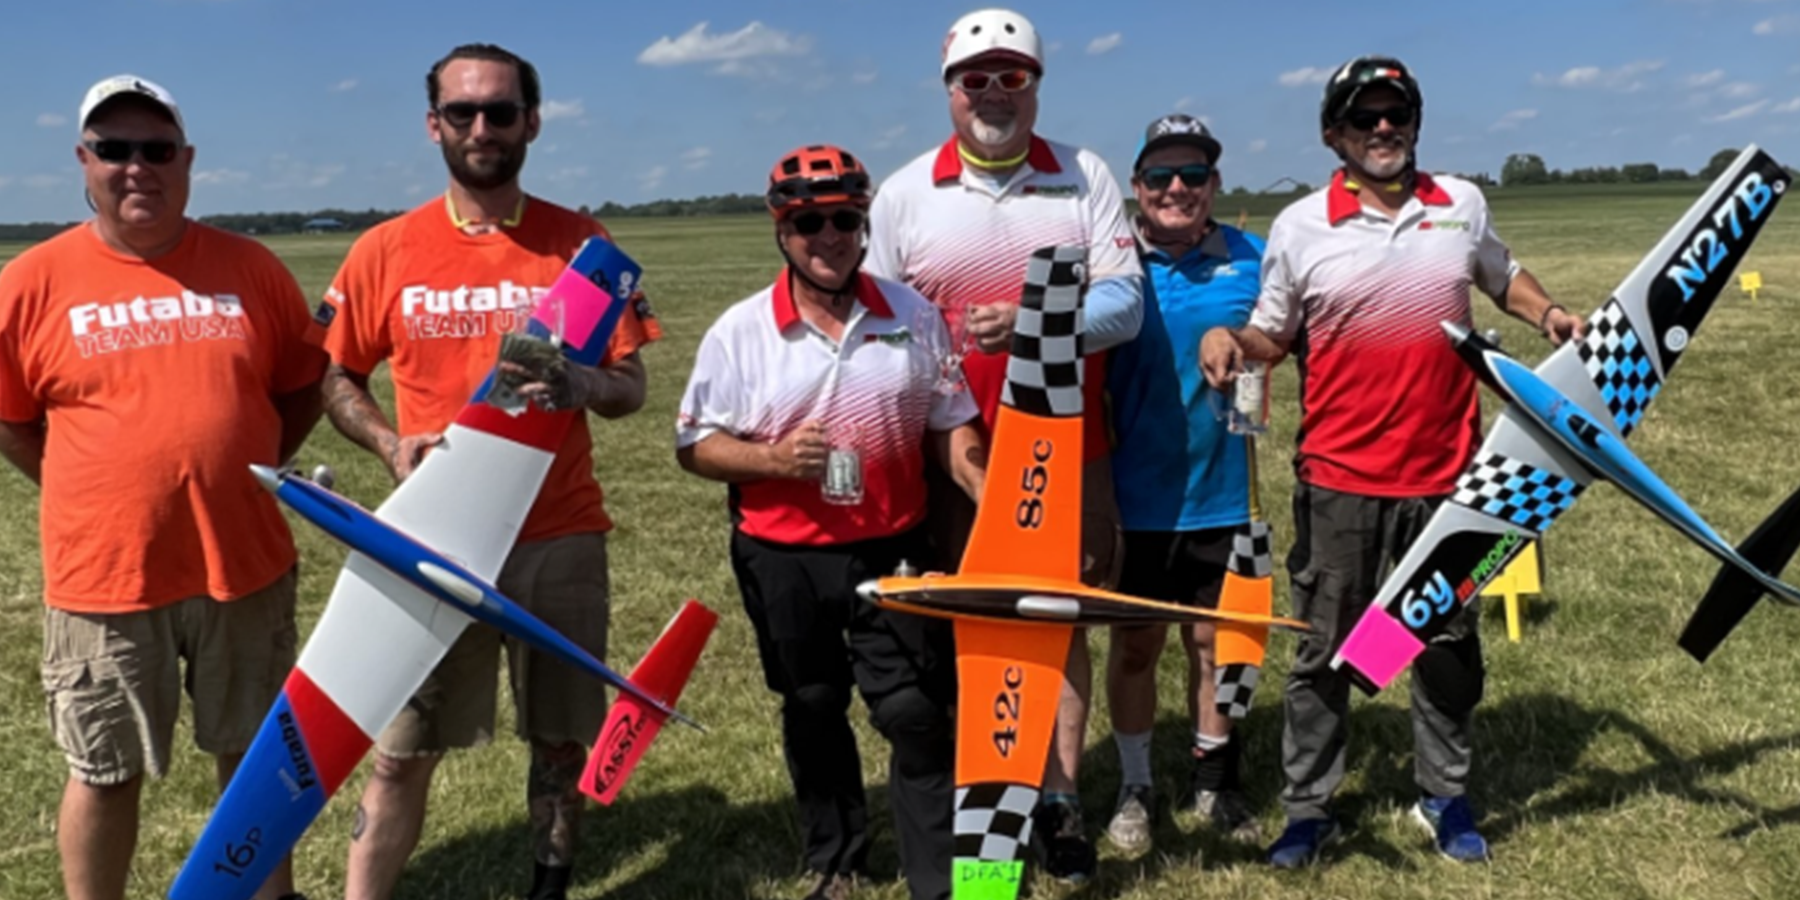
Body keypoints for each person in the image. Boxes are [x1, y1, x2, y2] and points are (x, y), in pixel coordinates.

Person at [1199, 55, 1586, 869]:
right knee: (1325, 653)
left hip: (1451, 479)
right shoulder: (1302, 226)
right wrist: (1232, 340)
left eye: (1397, 113)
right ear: (1333, 134)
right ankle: (1309, 809)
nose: (1384, 128)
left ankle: (1444, 795)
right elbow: (1275, 332)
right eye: (1365, 116)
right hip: (1339, 479)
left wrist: (1547, 312)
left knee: (1445, 643)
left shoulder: (1461, 205)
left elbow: (1502, 273)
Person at [312, 44, 661, 900]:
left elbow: (630, 386)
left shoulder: (582, 245)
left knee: (560, 743)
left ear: (531, 123)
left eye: (500, 111)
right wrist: (389, 444)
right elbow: (336, 373)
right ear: (433, 125)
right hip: (435, 534)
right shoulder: (386, 249)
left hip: (558, 533)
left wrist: (581, 383)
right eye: (462, 112)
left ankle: (549, 887)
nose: (481, 128)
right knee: (400, 751)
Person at [0, 75, 325, 900]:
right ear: (84, 160)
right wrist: (90, 488)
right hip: (105, 579)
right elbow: (12, 419)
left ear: (187, 160)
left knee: (253, 763)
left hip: (243, 565)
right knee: (104, 772)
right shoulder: (31, 281)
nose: (136, 166)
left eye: (157, 149)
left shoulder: (250, 267)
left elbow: (300, 388)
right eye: (114, 149)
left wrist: (239, 468)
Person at [865, 8, 1143, 881]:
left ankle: (1060, 800)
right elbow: (878, 321)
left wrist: (1033, 321)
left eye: (1012, 77)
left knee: (1061, 622)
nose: (993, 93)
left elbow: (1125, 305)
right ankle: (987, 789)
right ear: (949, 90)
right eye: (975, 79)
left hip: (1064, 448)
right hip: (950, 451)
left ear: (1037, 86)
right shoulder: (905, 193)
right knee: (965, 625)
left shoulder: (1084, 174)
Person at [676, 144, 985, 900]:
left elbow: (949, 420)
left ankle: (940, 881)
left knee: (915, 712)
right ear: (781, 231)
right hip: (783, 553)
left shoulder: (912, 316)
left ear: (864, 225)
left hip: (893, 547)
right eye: (808, 222)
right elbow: (695, 445)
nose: (829, 237)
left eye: (845, 220)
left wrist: (981, 483)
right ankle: (837, 859)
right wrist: (773, 461)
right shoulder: (741, 331)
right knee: (813, 704)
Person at [1102, 114, 1266, 856]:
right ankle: (1136, 785)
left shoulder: (1253, 257)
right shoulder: (1112, 263)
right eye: (1161, 176)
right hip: (1133, 498)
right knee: (1136, 647)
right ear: (1136, 187)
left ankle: (1215, 779)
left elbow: (1283, 338)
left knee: (1217, 647)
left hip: (1227, 493)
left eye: (1193, 175)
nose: (1178, 188)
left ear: (1214, 184)